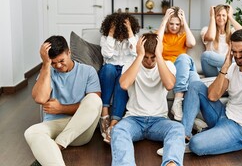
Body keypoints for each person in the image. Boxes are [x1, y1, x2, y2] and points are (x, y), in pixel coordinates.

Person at [181, 29, 242, 155]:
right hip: (223, 115)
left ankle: (206, 133)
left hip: (241, 129)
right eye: (234, 51)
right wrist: (225, 66)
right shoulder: (232, 68)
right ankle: (182, 137)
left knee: (196, 144)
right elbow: (213, 96)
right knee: (195, 86)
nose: (237, 56)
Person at [24, 35, 102, 166]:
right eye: (53, 63)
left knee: (94, 99)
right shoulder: (47, 71)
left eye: (61, 60)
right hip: (54, 125)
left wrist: (61, 109)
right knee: (31, 132)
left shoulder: (88, 71)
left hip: (80, 129)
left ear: (69, 52)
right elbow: (40, 98)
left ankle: (58, 145)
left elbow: (93, 106)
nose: (58, 66)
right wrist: (46, 65)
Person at [111, 33, 185, 166]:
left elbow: (169, 85)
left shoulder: (167, 65)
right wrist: (139, 56)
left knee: (178, 129)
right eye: (146, 57)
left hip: (159, 121)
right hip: (134, 119)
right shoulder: (130, 65)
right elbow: (124, 85)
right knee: (118, 130)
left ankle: (171, 164)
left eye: (153, 57)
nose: (149, 61)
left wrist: (160, 56)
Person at [98, 12, 140, 143]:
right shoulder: (106, 38)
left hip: (126, 68)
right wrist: (111, 33)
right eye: (119, 32)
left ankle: (114, 122)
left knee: (123, 79)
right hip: (109, 70)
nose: (121, 36)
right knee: (109, 69)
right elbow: (107, 54)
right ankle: (104, 112)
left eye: (123, 32)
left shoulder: (134, 38)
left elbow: (136, 53)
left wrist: (130, 32)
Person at [157, 6, 200, 121]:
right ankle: (190, 122)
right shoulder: (162, 34)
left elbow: (191, 43)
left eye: (177, 24)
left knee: (184, 57)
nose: (174, 27)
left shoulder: (183, 35)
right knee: (195, 80)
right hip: (169, 69)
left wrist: (184, 21)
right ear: (167, 23)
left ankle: (177, 100)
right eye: (171, 23)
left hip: (183, 67)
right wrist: (165, 19)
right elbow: (156, 43)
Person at [201, 4, 242, 77]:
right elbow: (211, 37)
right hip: (212, 70)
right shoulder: (205, 30)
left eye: (224, 15)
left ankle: (238, 62)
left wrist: (230, 17)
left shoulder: (232, 32)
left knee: (234, 58)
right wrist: (212, 17)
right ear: (214, 16)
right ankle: (240, 62)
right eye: (218, 15)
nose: (221, 18)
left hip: (228, 70)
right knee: (205, 55)